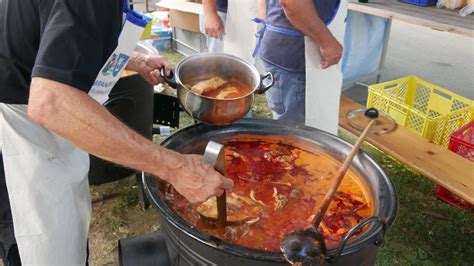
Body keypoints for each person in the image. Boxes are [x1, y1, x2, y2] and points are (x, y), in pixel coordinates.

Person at [0, 1, 233, 265]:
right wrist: (175, 167)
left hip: (35, 119)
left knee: (68, 230)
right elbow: (50, 102)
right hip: (17, 134)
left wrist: (133, 60)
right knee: (40, 249)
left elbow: (62, 36)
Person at [256, 0, 343, 124]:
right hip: (295, 53)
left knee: (301, 127)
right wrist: (327, 43)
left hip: (288, 47)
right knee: (294, 132)